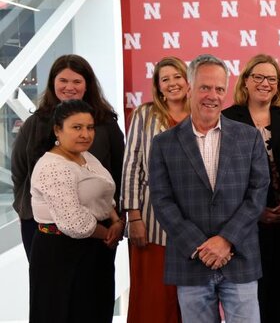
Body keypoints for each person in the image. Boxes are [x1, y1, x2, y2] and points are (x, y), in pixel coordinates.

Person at [149, 54, 269, 323]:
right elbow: (162, 201)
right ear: (190, 88)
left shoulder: (248, 137)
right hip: (191, 261)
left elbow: (258, 194)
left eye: (219, 89)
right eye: (205, 87)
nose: (212, 96)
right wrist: (200, 246)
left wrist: (226, 240)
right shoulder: (163, 144)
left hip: (239, 258)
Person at [12, 54, 124, 260]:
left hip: (101, 225)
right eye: (63, 80)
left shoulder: (105, 123)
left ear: (87, 85)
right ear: (53, 82)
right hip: (43, 229)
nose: (69, 87)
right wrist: (24, 210)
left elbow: (118, 170)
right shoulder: (35, 123)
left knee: (96, 287)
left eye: (77, 81)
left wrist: (116, 221)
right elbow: (20, 172)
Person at [222, 54, 280, 323]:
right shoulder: (227, 119)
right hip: (246, 224)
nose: (265, 83)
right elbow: (225, 176)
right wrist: (255, 212)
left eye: (272, 78)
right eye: (258, 76)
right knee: (253, 298)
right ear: (245, 81)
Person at [29, 99, 124, 323]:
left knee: (95, 312)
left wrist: (116, 221)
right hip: (61, 254)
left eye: (90, 127)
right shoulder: (53, 166)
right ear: (57, 130)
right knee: (65, 313)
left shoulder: (86, 156)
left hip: (96, 250)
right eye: (77, 127)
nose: (85, 134)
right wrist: (109, 233)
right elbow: (74, 223)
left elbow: (104, 195)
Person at [121, 56, 189, 323]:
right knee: (152, 295)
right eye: (165, 79)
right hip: (150, 222)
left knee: (188, 297)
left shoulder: (202, 113)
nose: (172, 83)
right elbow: (131, 166)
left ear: (187, 80)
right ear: (158, 87)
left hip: (192, 222)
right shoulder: (144, 115)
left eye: (177, 76)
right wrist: (133, 217)